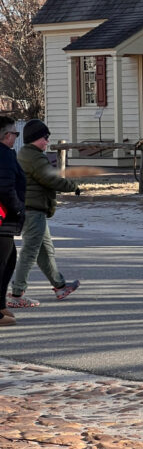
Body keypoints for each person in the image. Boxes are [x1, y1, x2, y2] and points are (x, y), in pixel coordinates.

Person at [7, 119, 80, 308]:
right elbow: (51, 178)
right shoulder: (34, 157)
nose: (47, 141)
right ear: (35, 139)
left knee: (46, 251)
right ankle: (17, 293)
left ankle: (60, 286)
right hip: (33, 211)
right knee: (30, 252)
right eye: (44, 138)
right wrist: (73, 187)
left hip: (32, 210)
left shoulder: (27, 154)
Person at [0, 117, 26, 327]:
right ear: (6, 136)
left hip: (5, 220)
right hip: (3, 218)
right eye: (15, 134)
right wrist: (18, 208)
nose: (16, 137)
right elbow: (6, 187)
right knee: (2, 264)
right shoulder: (6, 156)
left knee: (9, 261)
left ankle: (0, 304)